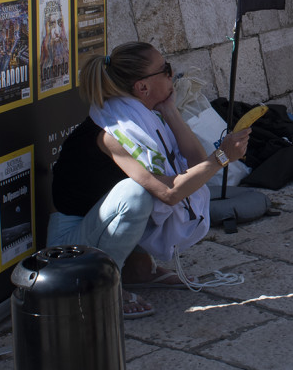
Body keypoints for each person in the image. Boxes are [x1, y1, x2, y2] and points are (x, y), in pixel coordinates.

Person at [48, 42, 250, 318]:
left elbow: (196, 164)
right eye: (166, 69)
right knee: (138, 194)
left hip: (96, 226)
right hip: (70, 247)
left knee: (149, 191)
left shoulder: (145, 116)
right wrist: (221, 157)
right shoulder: (112, 132)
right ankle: (100, 286)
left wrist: (171, 111)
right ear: (142, 87)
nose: (172, 74)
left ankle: (138, 269)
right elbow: (169, 192)